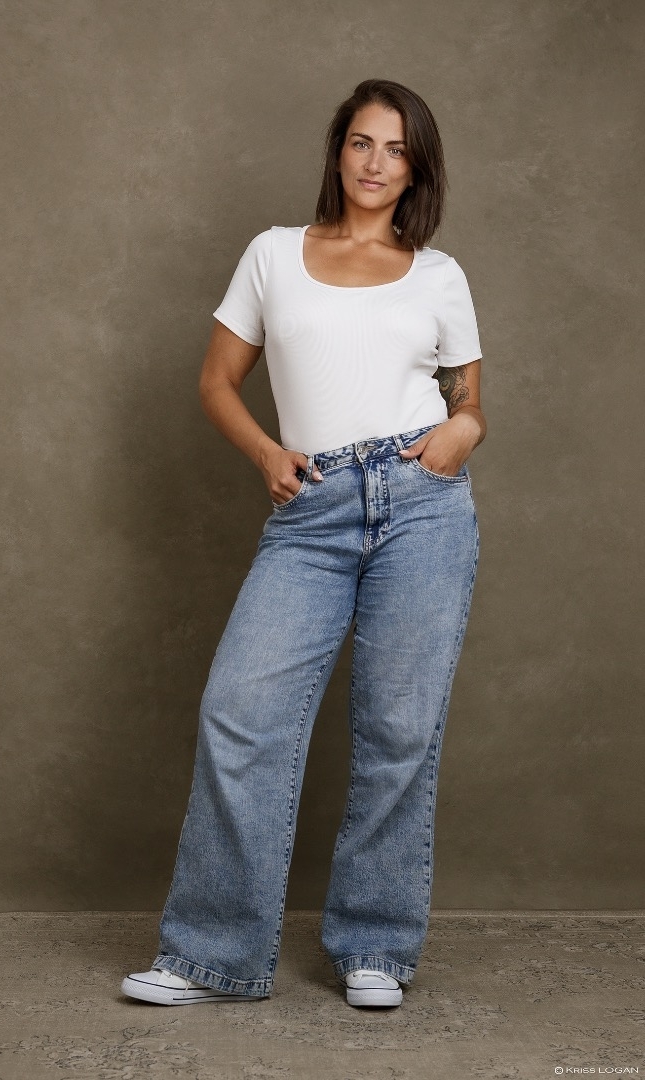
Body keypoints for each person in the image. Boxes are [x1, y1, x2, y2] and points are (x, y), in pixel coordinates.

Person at [121, 77, 485, 1010]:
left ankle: (375, 948)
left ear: (416, 169)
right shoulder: (273, 254)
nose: (375, 162)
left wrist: (462, 432)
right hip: (312, 509)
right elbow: (216, 382)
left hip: (422, 504)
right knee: (240, 711)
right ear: (337, 151)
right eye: (361, 142)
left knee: (399, 728)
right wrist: (265, 455)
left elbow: (468, 402)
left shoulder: (438, 274)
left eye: (396, 149)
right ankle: (212, 957)